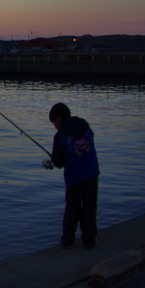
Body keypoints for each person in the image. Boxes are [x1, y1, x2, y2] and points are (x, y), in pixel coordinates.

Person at [42, 102, 100, 249]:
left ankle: (68, 240)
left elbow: (59, 162)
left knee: (72, 209)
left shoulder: (60, 136)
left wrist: (52, 162)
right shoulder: (85, 126)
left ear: (59, 119)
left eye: (54, 123)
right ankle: (89, 240)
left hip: (74, 178)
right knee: (89, 208)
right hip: (92, 174)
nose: (55, 126)